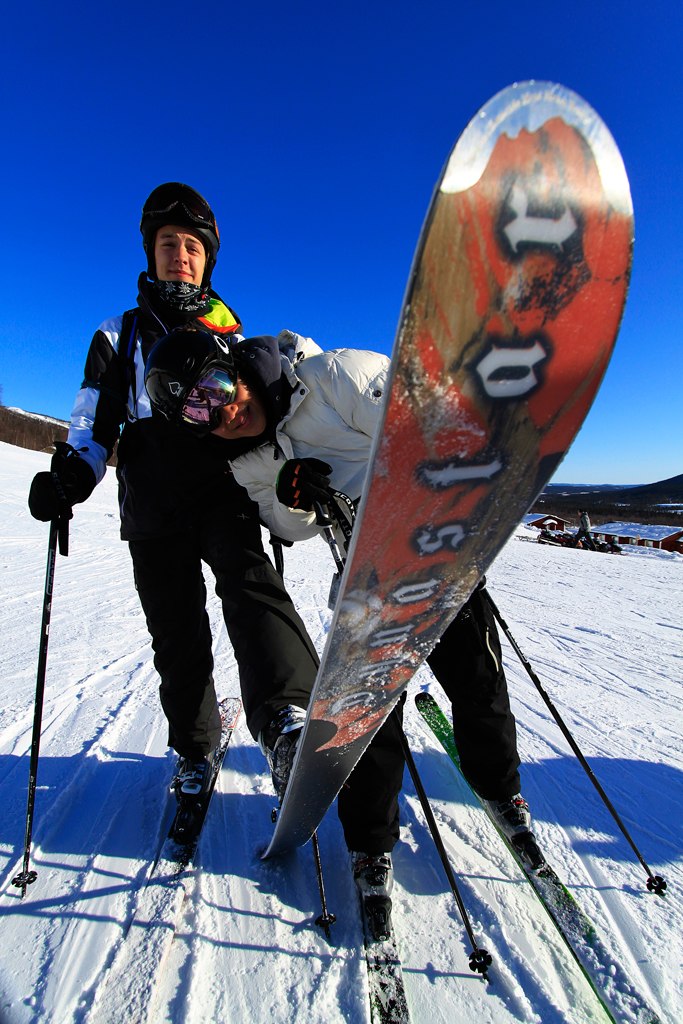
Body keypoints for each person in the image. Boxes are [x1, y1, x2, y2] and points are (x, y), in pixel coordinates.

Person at [144, 326, 535, 897]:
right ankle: (372, 841)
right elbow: (292, 530)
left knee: (477, 678)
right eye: (197, 411)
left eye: (216, 385)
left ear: (233, 364)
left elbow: (425, 428)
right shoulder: (246, 459)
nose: (220, 410)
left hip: (434, 548)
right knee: (370, 717)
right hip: (366, 579)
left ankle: (500, 788)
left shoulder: (332, 377)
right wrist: (291, 491)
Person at [27, 183, 320, 820]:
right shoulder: (118, 332)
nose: (180, 256)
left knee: (251, 587)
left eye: (192, 247)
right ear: (150, 253)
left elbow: (253, 404)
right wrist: (71, 477)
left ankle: (286, 721)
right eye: (168, 245)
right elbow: (92, 423)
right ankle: (194, 749)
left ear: (207, 258)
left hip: (220, 485)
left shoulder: (225, 325)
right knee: (176, 631)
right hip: (150, 495)